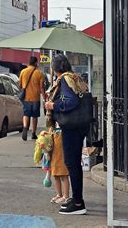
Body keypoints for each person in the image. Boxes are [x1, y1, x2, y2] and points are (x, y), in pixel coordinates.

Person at [44, 54, 89, 215]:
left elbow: (71, 101)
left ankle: (78, 202)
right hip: (81, 125)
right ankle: (77, 200)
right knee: (74, 163)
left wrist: (53, 105)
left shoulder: (64, 79)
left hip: (72, 126)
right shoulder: (75, 76)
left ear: (54, 68)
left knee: (72, 163)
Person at [19, 56, 46, 141]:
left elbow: (20, 85)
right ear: (35, 63)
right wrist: (44, 98)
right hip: (35, 98)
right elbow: (42, 87)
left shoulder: (23, 72)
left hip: (26, 98)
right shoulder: (39, 73)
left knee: (26, 114)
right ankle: (33, 133)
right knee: (35, 116)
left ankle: (25, 127)